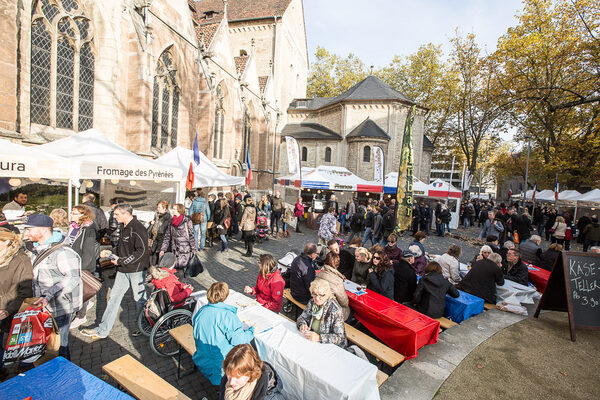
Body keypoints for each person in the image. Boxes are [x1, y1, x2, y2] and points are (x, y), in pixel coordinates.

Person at [81, 204, 149, 339]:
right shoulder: (124, 227)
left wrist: (121, 261)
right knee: (114, 298)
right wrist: (112, 253)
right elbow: (124, 248)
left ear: (126, 214)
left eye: (117, 215)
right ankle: (102, 330)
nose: (114, 217)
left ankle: (145, 325)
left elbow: (141, 251)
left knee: (140, 299)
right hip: (123, 269)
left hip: (136, 270)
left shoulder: (137, 228)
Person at [25, 214, 82, 360]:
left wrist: (48, 295)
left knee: (59, 347)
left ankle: (64, 377)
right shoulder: (36, 250)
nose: (26, 233)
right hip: (44, 308)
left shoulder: (63, 252)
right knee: (48, 346)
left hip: (60, 308)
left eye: (29, 229)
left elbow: (73, 278)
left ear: (43, 229)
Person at [193, 282, 254, 385]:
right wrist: (251, 331)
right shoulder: (227, 315)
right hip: (219, 364)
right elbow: (239, 340)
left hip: (202, 356)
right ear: (225, 296)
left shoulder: (202, 310)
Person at [0, 228, 33, 380]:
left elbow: (24, 291)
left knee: (12, 343)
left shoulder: (20, 260)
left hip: (8, 309)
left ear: (7, 241)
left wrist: (8, 310)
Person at [67, 205, 99, 329]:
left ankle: (81, 316)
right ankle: (83, 306)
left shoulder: (89, 229)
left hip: (83, 265)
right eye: (71, 212)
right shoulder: (74, 227)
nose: (71, 215)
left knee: (82, 290)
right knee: (78, 290)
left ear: (83, 215)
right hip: (73, 261)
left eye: (75, 213)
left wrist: (82, 268)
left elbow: (88, 252)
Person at [219, 344, 283, 400]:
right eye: (229, 375)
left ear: (250, 373)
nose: (231, 382)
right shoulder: (226, 381)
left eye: (237, 377)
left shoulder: (270, 397)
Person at [296, 280, 347, 348]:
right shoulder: (312, 302)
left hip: (329, 346)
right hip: (311, 340)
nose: (317, 298)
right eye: (314, 294)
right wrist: (302, 324)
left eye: (321, 295)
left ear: (328, 294)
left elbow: (339, 337)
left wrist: (319, 338)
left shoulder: (335, 310)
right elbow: (302, 317)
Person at [159, 203, 196, 271]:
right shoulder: (171, 221)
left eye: (174, 209)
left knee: (181, 269)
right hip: (173, 248)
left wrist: (193, 249)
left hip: (184, 249)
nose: (172, 210)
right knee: (174, 269)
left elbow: (191, 235)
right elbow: (167, 236)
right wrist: (163, 249)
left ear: (179, 210)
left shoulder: (186, 221)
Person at [314, 252, 350, 321]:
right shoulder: (337, 281)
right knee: (349, 310)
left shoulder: (320, 273)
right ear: (337, 264)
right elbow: (344, 302)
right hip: (329, 313)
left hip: (318, 305)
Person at [148, 201, 171, 266]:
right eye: (157, 207)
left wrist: (156, 223)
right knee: (153, 253)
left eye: (159, 207)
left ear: (164, 208)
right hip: (155, 237)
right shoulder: (157, 215)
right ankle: (152, 268)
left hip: (162, 238)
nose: (158, 209)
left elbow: (164, 229)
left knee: (158, 255)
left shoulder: (168, 217)